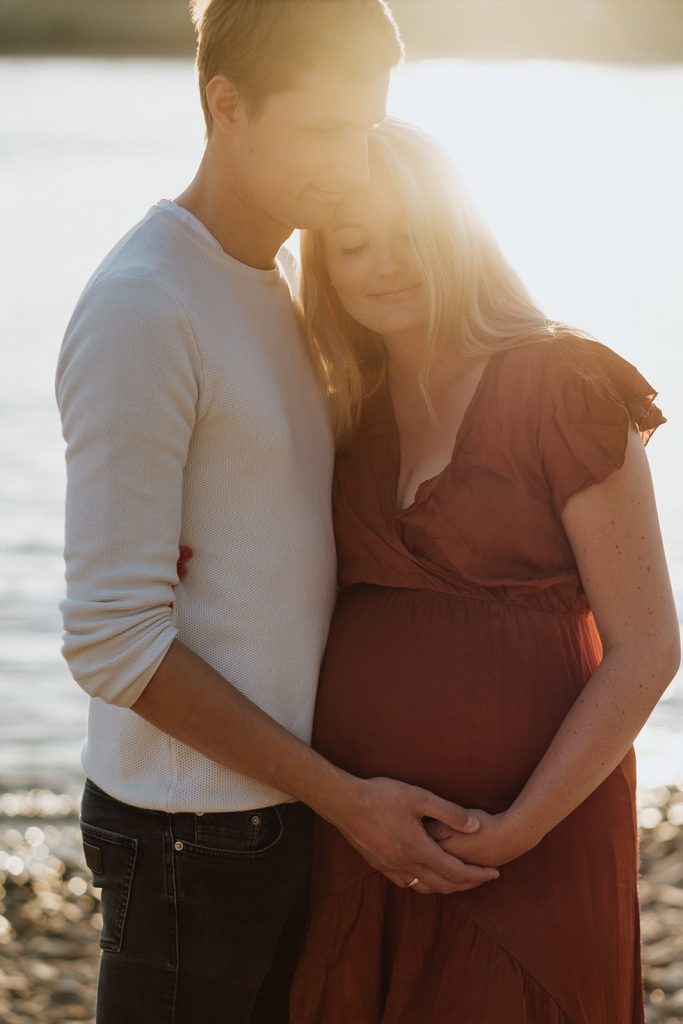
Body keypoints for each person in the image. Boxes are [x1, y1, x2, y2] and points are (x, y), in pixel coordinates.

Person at [54, 6, 500, 1023]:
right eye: (324, 130)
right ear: (225, 106)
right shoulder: (144, 305)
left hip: (278, 812)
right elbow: (110, 641)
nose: (354, 164)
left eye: (369, 125)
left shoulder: (288, 276)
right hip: (188, 837)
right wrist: (346, 798)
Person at [284, 119, 681, 1022]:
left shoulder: (563, 383)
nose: (385, 265)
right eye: (354, 244)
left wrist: (517, 828)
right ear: (326, 265)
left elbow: (647, 646)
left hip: (533, 843)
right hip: (365, 839)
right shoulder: (345, 411)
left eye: (411, 237)